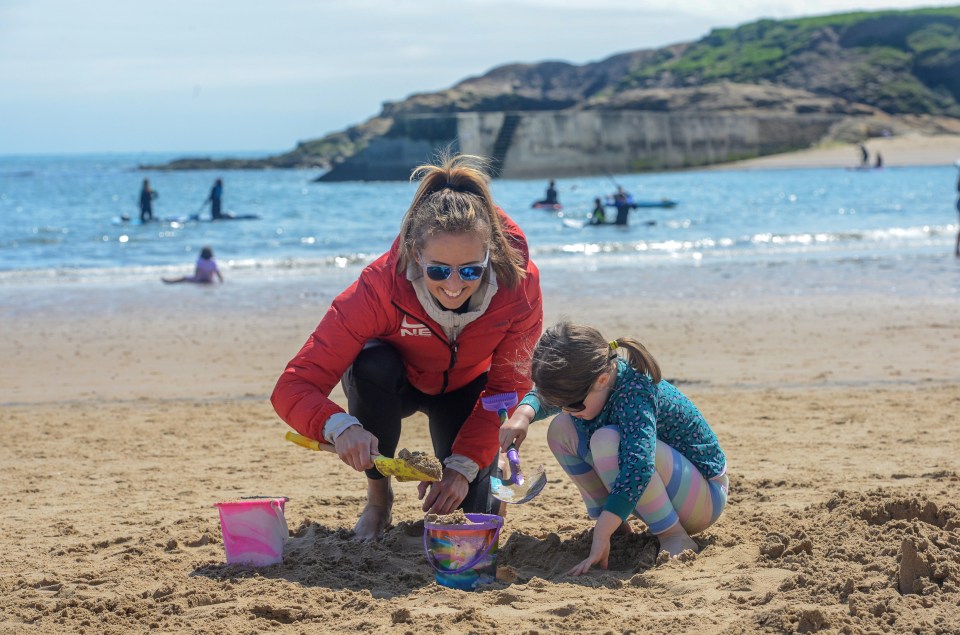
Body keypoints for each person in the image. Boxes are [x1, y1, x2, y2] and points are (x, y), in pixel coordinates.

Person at [271, 153, 543, 541]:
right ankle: (378, 501)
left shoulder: (519, 284)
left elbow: (506, 388)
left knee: (471, 516)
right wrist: (339, 428)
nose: (453, 284)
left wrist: (463, 467)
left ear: (489, 256)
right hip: (394, 382)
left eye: (470, 270)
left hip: (468, 388)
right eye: (437, 270)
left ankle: (487, 470)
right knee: (371, 365)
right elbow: (292, 387)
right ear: (416, 255)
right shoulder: (380, 285)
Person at [499, 321, 728, 575]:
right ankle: (616, 528)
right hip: (659, 493)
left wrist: (601, 532)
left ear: (602, 380)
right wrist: (523, 414)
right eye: (560, 403)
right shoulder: (594, 383)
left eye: (572, 404)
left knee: (606, 441)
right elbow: (554, 398)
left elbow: (639, 466)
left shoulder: (635, 393)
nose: (565, 409)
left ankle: (673, 535)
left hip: (702, 498)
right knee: (561, 429)